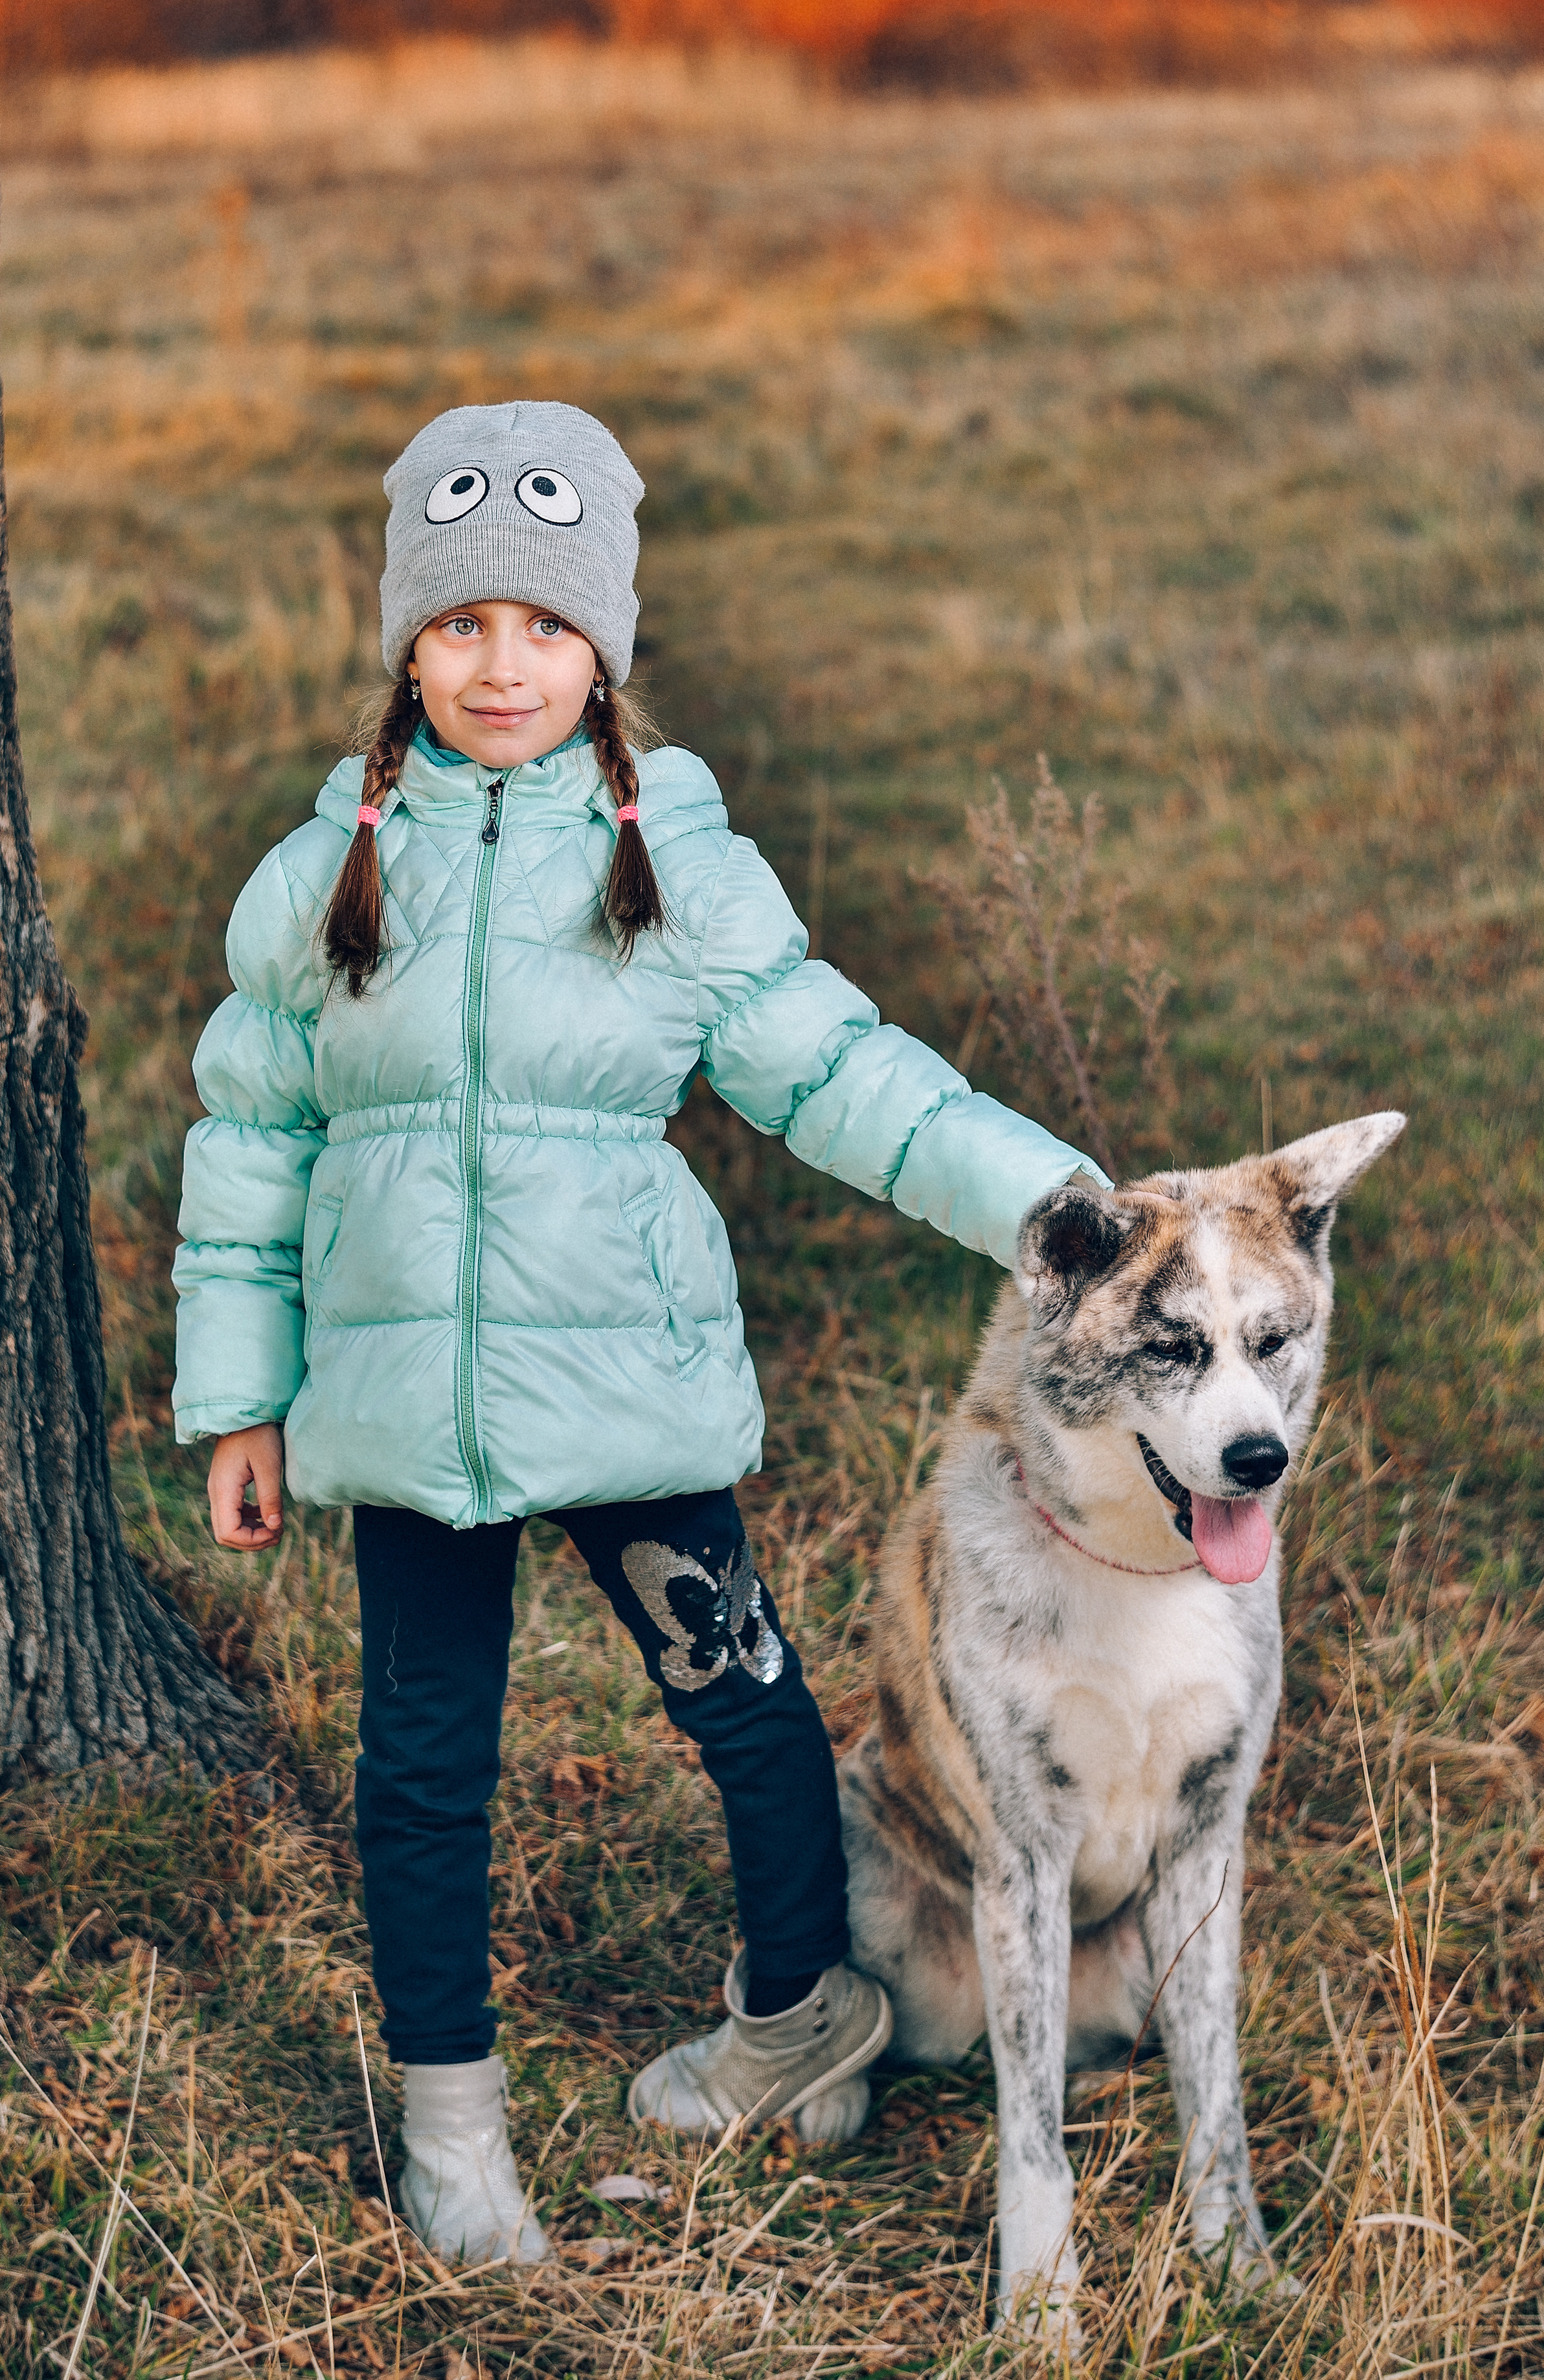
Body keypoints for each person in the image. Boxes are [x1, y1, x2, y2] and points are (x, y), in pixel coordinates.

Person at [172, 400, 1106, 2266]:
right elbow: (249, 1135)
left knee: (743, 1704)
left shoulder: (670, 858)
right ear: (406, 645)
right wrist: (241, 1399)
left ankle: (797, 2023)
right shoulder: (328, 869)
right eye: (459, 624)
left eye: (543, 623)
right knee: (421, 1767)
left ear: (603, 645)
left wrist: (1043, 1198)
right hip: (403, 1405)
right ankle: (455, 2133)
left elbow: (838, 1069)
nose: (500, 664)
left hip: (628, 1386)